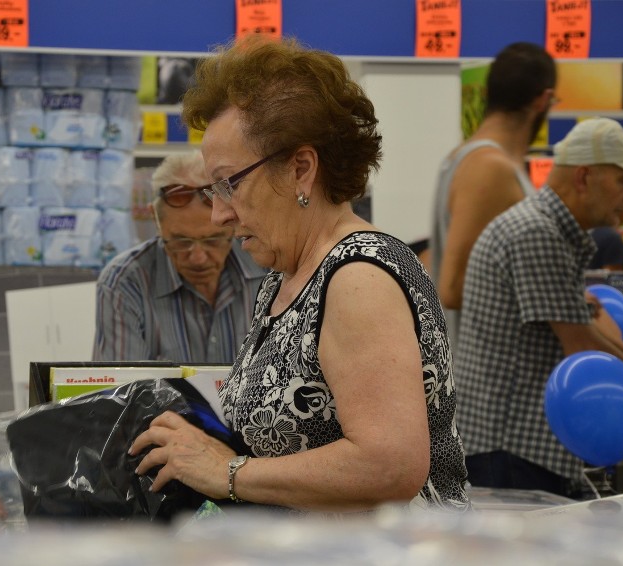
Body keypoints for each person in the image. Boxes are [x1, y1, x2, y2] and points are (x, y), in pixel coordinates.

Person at [129, 36, 469, 512]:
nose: (218, 216)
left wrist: (226, 472)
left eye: (229, 184)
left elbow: (391, 463)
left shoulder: (357, 279)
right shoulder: (289, 274)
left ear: (300, 169)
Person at [456, 117, 623, 497]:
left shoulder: (551, 232)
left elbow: (590, 333)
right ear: (583, 178)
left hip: (517, 450)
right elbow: (584, 348)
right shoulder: (537, 233)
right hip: (511, 449)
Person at [430, 42, 556, 347]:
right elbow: (454, 287)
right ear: (544, 100)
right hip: (487, 377)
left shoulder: (476, 159)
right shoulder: (490, 168)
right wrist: (555, 290)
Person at [93, 150, 268, 363]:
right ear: (156, 221)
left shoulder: (267, 268)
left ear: (232, 221)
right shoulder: (125, 282)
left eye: (213, 240)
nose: (198, 258)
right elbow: (121, 390)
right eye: (180, 242)